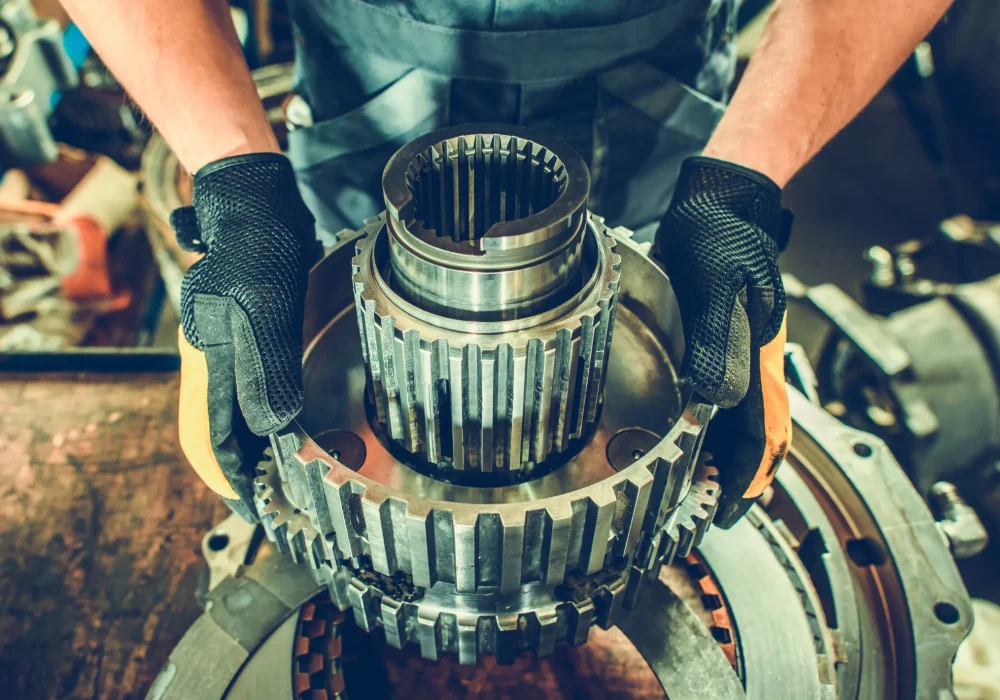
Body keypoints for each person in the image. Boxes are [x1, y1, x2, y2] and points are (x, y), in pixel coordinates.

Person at [61, 0, 952, 526]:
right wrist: (239, 183)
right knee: (343, 328)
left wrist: (739, 189)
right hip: (359, 114)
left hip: (668, 131)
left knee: (651, 327)